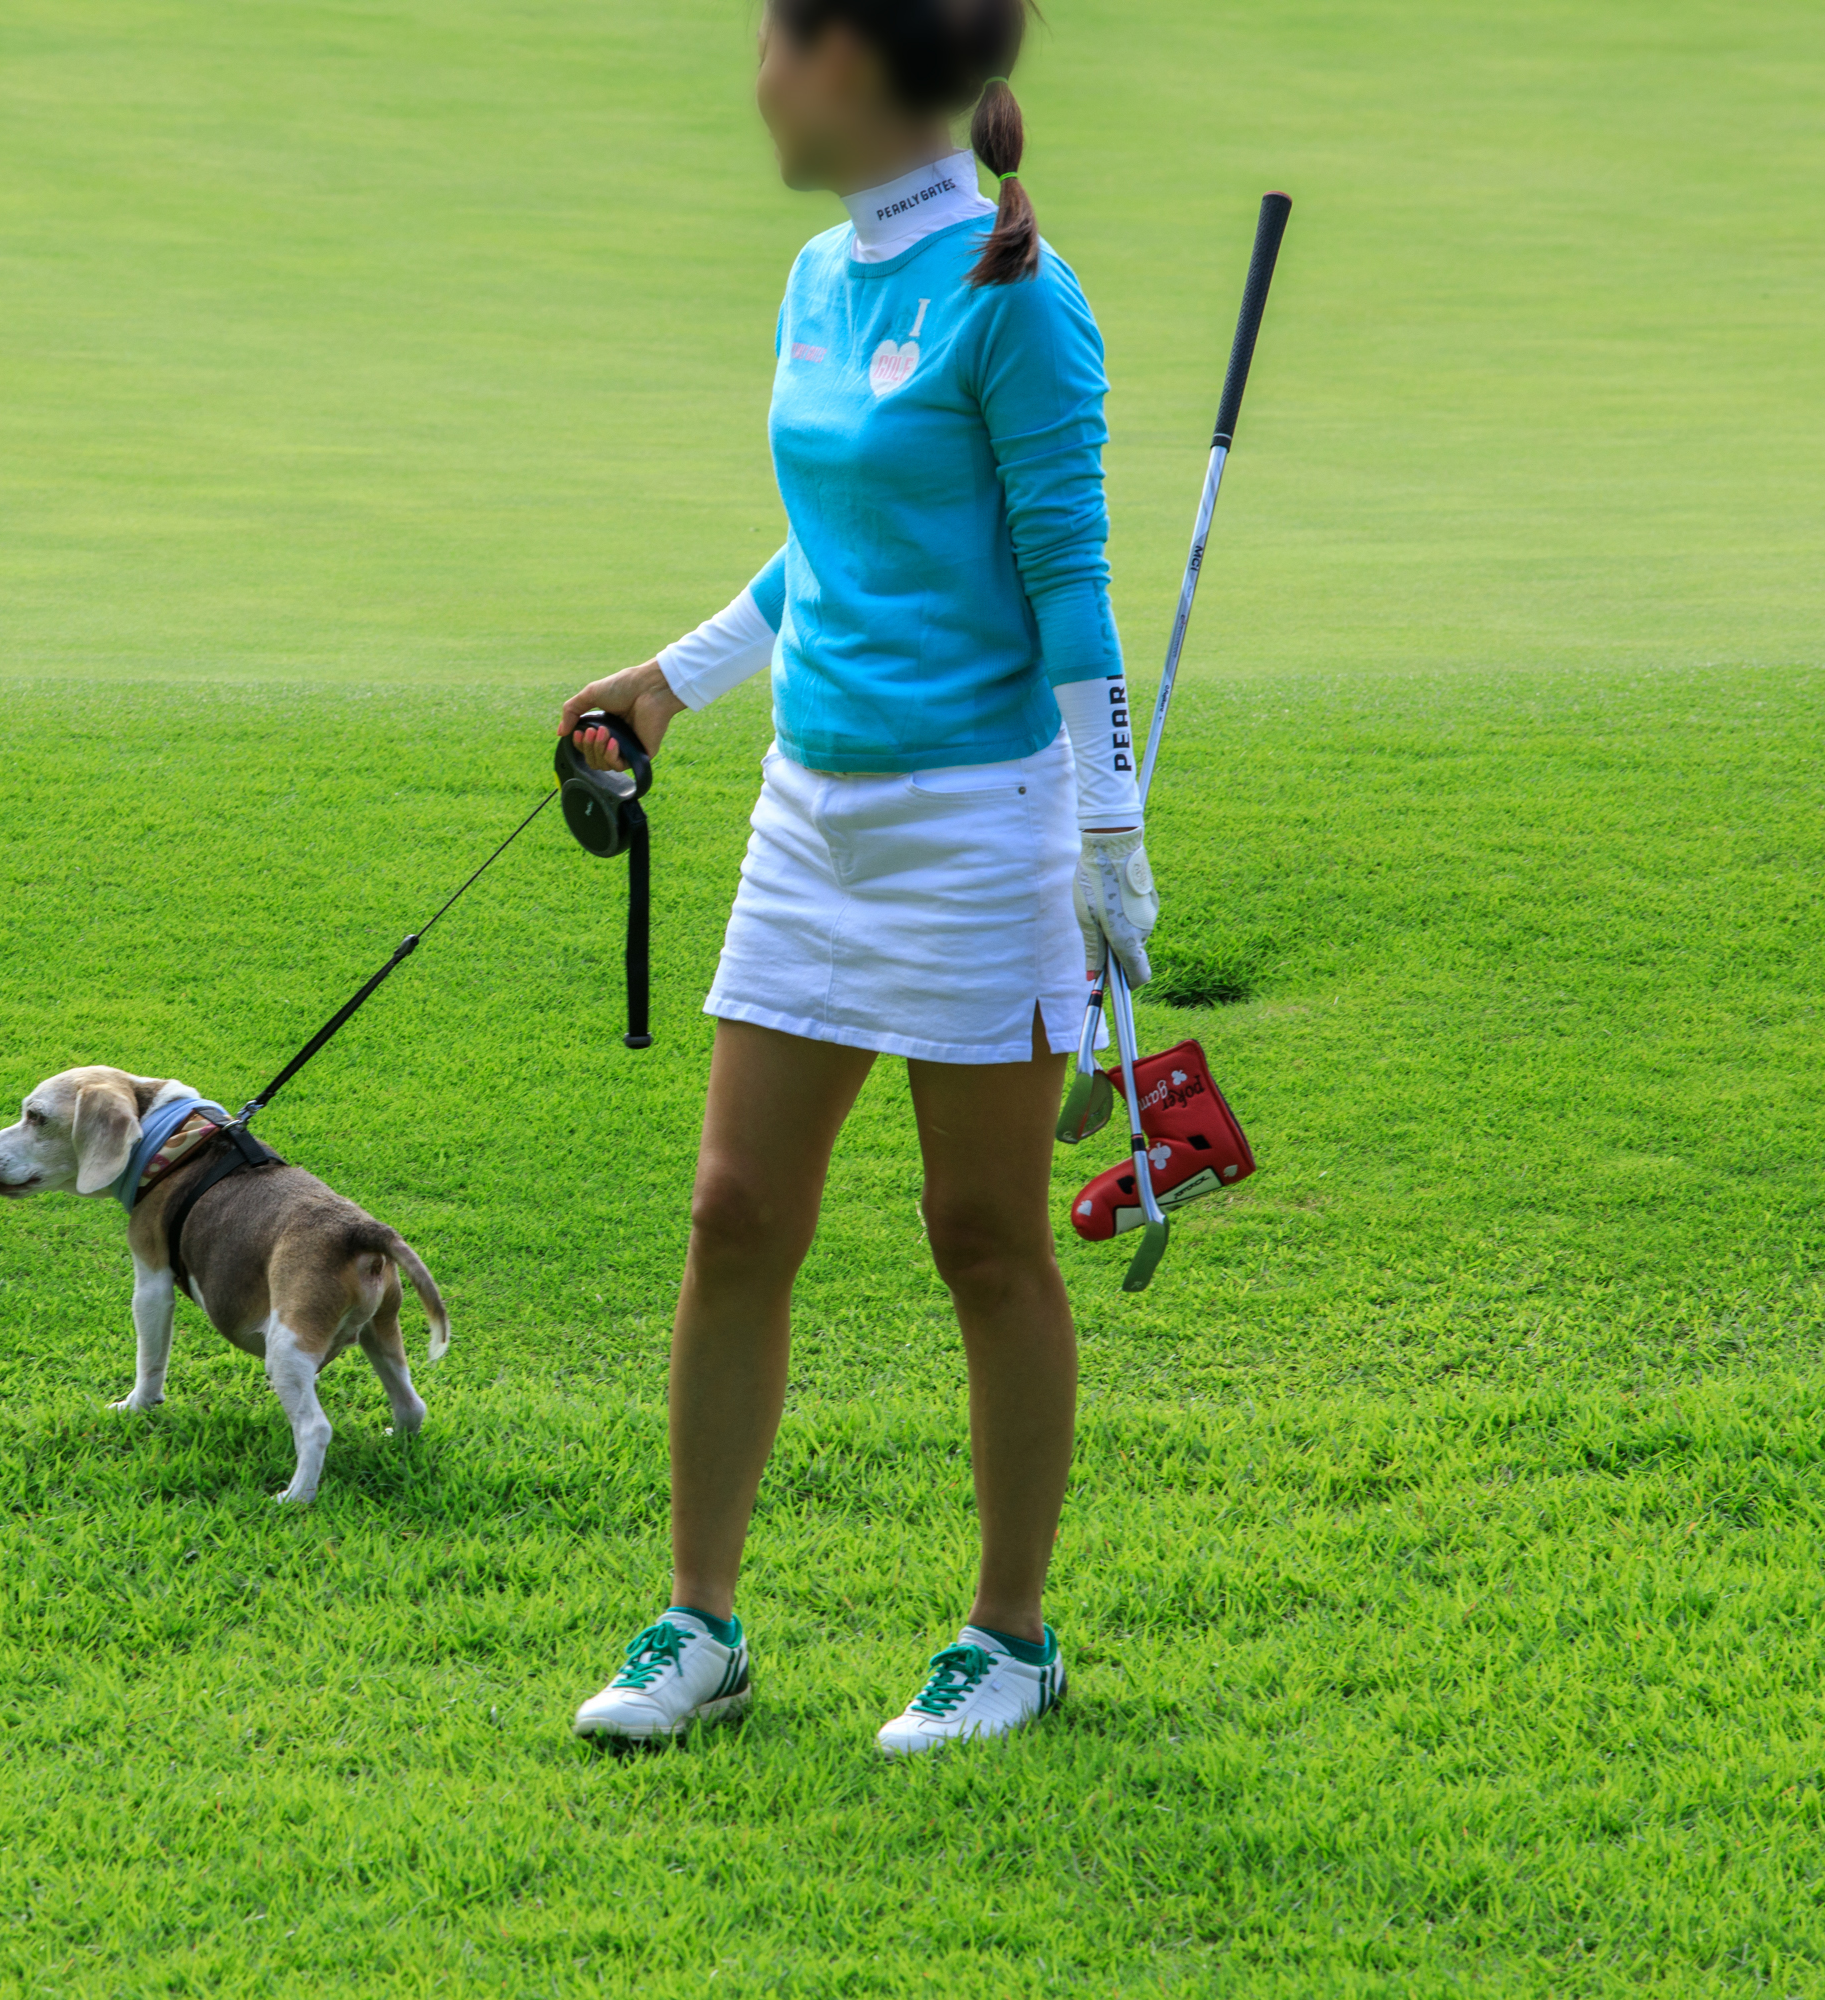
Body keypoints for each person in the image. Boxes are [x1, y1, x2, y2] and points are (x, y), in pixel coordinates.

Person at [556, 0, 1158, 1755]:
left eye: (774, 39)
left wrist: (1108, 831)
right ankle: (701, 1624)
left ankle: (1013, 1637)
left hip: (982, 825)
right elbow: (831, 542)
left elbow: (1072, 583)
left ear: (853, 64)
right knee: (735, 1211)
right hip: (811, 821)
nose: (753, 75)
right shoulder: (821, 279)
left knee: (981, 1236)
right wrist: (670, 682)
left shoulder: (1021, 300)